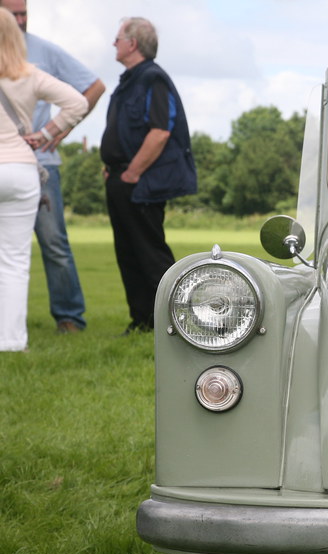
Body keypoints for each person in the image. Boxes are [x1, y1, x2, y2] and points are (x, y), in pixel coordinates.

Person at [0, 0, 105, 334]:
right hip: (18, 166)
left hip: (41, 164)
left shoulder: (44, 51)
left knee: (54, 244)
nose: (19, 20)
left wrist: (54, 133)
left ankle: (69, 317)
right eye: (12, 14)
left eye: (24, 13)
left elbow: (93, 87)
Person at [101, 17, 196, 334]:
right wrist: (111, 165)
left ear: (132, 43)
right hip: (121, 179)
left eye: (117, 38)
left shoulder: (153, 79)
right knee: (127, 253)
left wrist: (132, 172)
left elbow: (159, 132)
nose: (113, 43)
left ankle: (171, 323)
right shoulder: (128, 81)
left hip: (141, 183)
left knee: (149, 252)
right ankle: (142, 321)